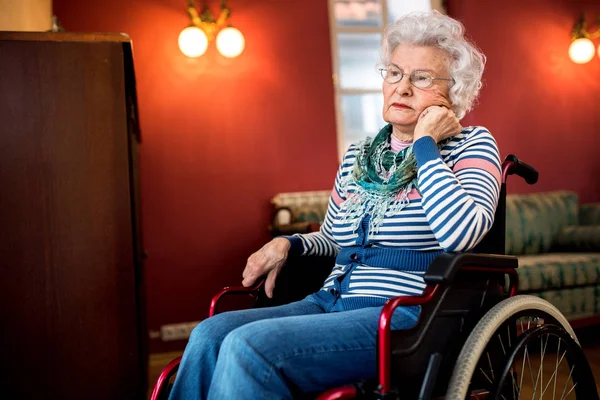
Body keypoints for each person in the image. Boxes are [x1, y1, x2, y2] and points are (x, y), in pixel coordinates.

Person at [169, 10, 501, 400]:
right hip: (331, 302)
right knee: (210, 335)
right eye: (394, 73)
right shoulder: (361, 156)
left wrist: (425, 145)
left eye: (422, 78)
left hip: (405, 320)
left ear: (455, 92)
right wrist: (289, 245)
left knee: (250, 347)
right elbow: (334, 239)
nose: (402, 88)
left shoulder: (472, 145)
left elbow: (462, 234)